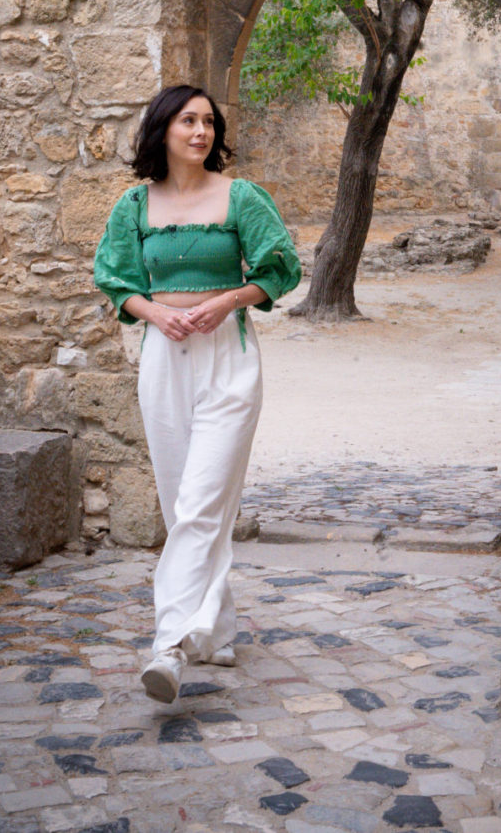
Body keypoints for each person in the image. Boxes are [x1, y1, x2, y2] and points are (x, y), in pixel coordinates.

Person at [93, 83, 301, 703]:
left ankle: (171, 646)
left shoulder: (241, 197)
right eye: (188, 121)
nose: (201, 132)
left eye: (209, 122)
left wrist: (225, 301)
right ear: (163, 130)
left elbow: (280, 267)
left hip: (228, 358)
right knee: (181, 498)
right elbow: (114, 278)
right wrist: (155, 314)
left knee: (205, 500)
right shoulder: (134, 205)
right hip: (163, 359)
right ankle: (217, 631)